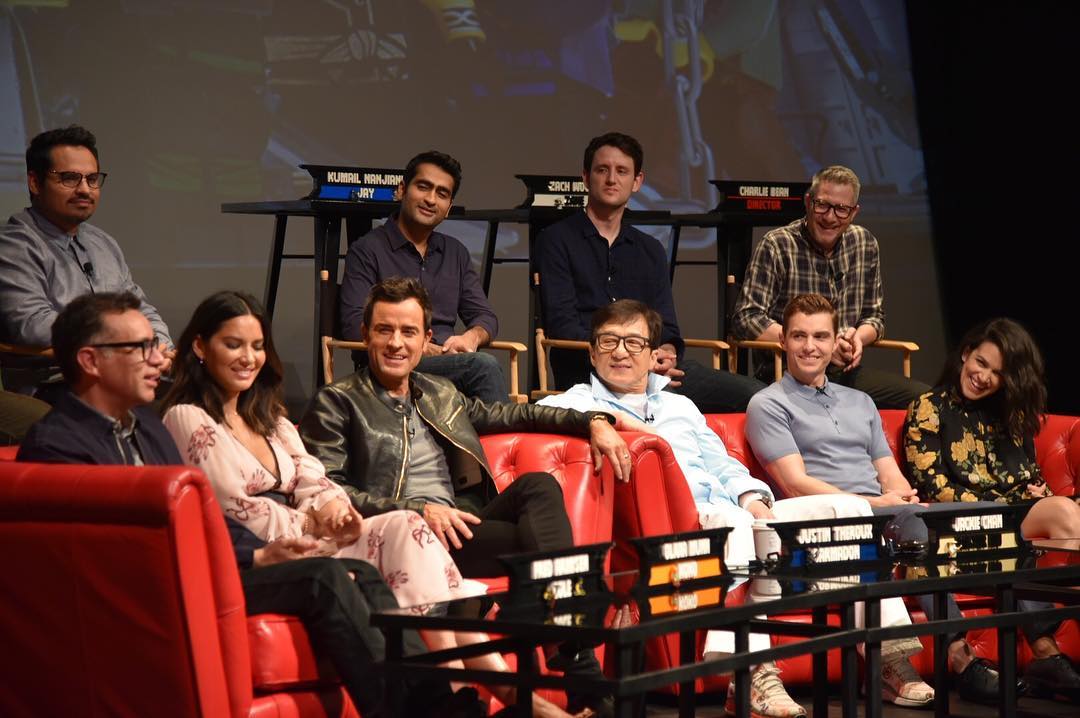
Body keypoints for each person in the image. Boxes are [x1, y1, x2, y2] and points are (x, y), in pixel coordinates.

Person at [15, 291, 478, 718]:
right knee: (323, 576)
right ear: (90, 360)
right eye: (139, 348)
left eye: (154, 345)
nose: (158, 358)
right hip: (155, 586)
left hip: (202, 568)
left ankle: (436, 703)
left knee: (361, 572)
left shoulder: (145, 428)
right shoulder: (59, 446)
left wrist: (259, 555)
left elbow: (203, 518)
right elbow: (105, 555)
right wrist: (253, 555)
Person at [161, 289, 574, 718]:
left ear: (426, 339)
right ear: (200, 347)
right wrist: (318, 524)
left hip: (331, 535)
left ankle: (538, 664)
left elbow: (314, 478)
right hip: (275, 549)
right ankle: (483, 700)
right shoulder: (190, 417)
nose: (248, 358)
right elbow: (234, 507)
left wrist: (334, 510)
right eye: (234, 345)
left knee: (412, 525)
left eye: (257, 346)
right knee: (413, 524)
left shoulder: (272, 417)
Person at [538, 299, 916, 718]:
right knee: (736, 525)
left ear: (653, 354)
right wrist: (600, 420)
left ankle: (887, 657)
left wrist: (754, 498)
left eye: (633, 342)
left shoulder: (680, 406)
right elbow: (537, 415)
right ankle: (750, 673)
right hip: (682, 525)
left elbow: (723, 464)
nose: (621, 352)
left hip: (730, 511)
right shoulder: (575, 403)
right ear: (593, 353)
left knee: (848, 511)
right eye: (608, 341)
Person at [300, 276, 632, 716]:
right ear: (365, 335)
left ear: (426, 339)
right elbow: (328, 491)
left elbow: (516, 412)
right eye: (384, 330)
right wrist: (416, 509)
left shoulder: (441, 393)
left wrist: (592, 421)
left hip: (461, 529)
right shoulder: (337, 401)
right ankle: (581, 669)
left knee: (538, 486)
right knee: (540, 555)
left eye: (408, 332)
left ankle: (565, 643)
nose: (396, 343)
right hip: (401, 539)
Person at [744, 294, 941, 707]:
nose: (809, 346)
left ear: (836, 342)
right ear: (782, 341)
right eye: (799, 336)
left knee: (953, 524)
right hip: (822, 524)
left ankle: (956, 651)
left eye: (820, 336)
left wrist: (901, 497)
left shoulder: (861, 402)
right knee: (897, 529)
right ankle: (902, 661)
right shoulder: (768, 404)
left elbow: (888, 471)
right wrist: (873, 503)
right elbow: (795, 484)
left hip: (880, 515)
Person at [904, 317, 1080, 701]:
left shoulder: (1011, 416)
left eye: (997, 373)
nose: (983, 377)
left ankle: (1052, 648)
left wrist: (1041, 492)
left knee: (1066, 512)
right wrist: (1005, 506)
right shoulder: (929, 408)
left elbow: (1029, 479)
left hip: (1011, 520)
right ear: (965, 354)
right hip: (959, 524)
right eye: (980, 363)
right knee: (1018, 524)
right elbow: (934, 487)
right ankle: (1045, 651)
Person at [535, 131, 764, 413]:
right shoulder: (555, 240)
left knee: (758, 396)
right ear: (585, 177)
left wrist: (666, 352)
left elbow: (666, 327)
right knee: (662, 398)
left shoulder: (650, 249)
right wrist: (633, 356)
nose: (611, 179)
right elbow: (563, 325)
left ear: (637, 181)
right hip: (590, 371)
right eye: (602, 170)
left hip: (654, 371)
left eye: (622, 171)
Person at [732, 165, 928, 409]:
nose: (830, 217)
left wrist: (857, 338)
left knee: (926, 399)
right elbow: (745, 318)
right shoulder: (778, 244)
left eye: (841, 209)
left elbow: (874, 317)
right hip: (787, 373)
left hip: (843, 372)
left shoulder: (864, 244)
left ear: (854, 212)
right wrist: (818, 344)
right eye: (822, 205)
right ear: (808, 202)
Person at [0, 126, 173, 396]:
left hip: (123, 375)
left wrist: (161, 345)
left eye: (92, 179)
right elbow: (33, 325)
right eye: (69, 178)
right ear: (34, 183)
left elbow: (140, 308)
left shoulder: (103, 243)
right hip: (56, 384)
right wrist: (125, 339)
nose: (84, 189)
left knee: (196, 402)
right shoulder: (15, 245)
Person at [339, 150, 506, 403]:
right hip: (391, 365)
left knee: (478, 372)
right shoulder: (367, 250)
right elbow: (354, 324)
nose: (430, 199)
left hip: (447, 367)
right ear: (401, 190)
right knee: (483, 367)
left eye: (442, 194)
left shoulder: (455, 253)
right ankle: (507, 431)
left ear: (448, 208)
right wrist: (421, 347)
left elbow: (485, 316)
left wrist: (470, 338)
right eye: (423, 187)